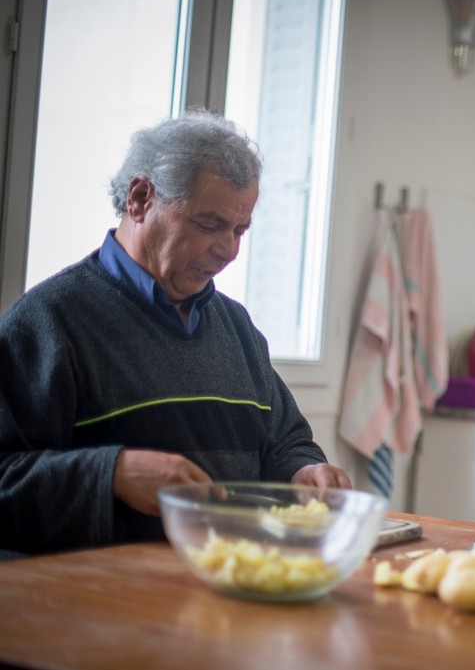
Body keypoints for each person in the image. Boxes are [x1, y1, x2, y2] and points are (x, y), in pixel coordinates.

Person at [0, 110, 351, 556]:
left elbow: (285, 440)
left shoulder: (236, 327)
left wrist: (303, 471)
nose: (228, 250)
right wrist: (113, 474)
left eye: (240, 230)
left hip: (225, 588)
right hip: (99, 609)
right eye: (209, 225)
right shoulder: (48, 323)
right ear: (141, 198)